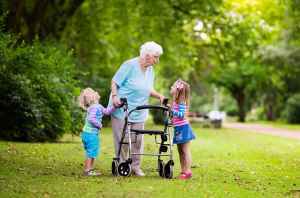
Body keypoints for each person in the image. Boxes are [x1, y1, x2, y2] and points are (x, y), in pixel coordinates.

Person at [109, 41, 165, 176]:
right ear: (147, 55)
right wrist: (115, 96)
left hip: (140, 109)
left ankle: (136, 166)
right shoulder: (129, 65)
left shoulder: (150, 70)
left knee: (138, 139)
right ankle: (123, 165)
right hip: (122, 107)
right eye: (156, 57)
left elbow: (147, 88)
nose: (157, 61)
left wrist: (159, 96)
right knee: (122, 139)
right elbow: (114, 82)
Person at [78, 87, 115, 176]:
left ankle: (90, 169)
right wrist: (99, 124)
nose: (97, 92)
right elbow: (91, 119)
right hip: (90, 134)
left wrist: (115, 106)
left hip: (87, 134)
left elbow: (106, 112)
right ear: (92, 97)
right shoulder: (95, 107)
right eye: (95, 92)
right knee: (91, 152)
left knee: (91, 152)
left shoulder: (97, 106)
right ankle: (87, 170)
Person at [170, 79, 196, 180]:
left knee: (185, 150)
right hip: (178, 129)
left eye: (173, 87)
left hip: (184, 128)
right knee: (180, 150)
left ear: (178, 90)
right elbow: (175, 117)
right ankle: (183, 171)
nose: (171, 88)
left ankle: (188, 171)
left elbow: (182, 115)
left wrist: (173, 111)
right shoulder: (175, 100)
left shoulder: (181, 101)